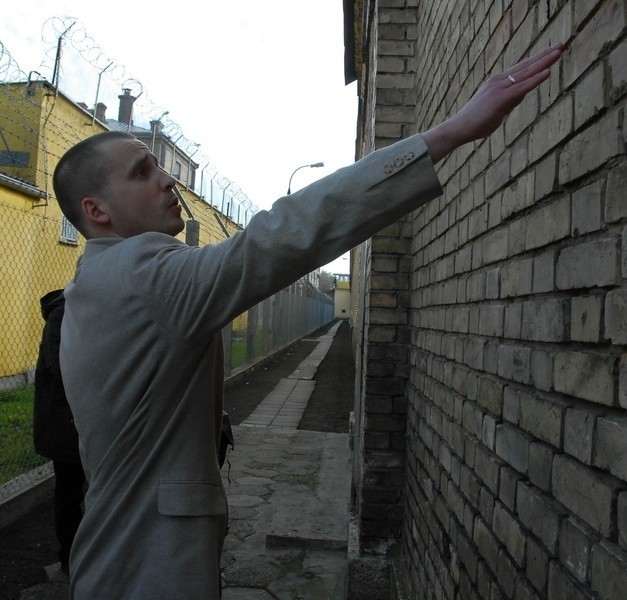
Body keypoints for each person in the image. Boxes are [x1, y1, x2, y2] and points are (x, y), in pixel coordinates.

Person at [52, 44, 563, 599]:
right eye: (143, 171)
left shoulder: (96, 282)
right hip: (146, 572)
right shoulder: (139, 274)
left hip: (119, 557)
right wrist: (448, 135)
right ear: (96, 210)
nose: (167, 181)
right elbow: (281, 236)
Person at [33, 289, 86, 576]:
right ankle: (69, 559)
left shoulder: (75, 309)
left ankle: (80, 555)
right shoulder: (64, 314)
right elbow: (64, 367)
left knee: (83, 491)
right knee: (69, 493)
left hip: (78, 422)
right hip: (65, 423)